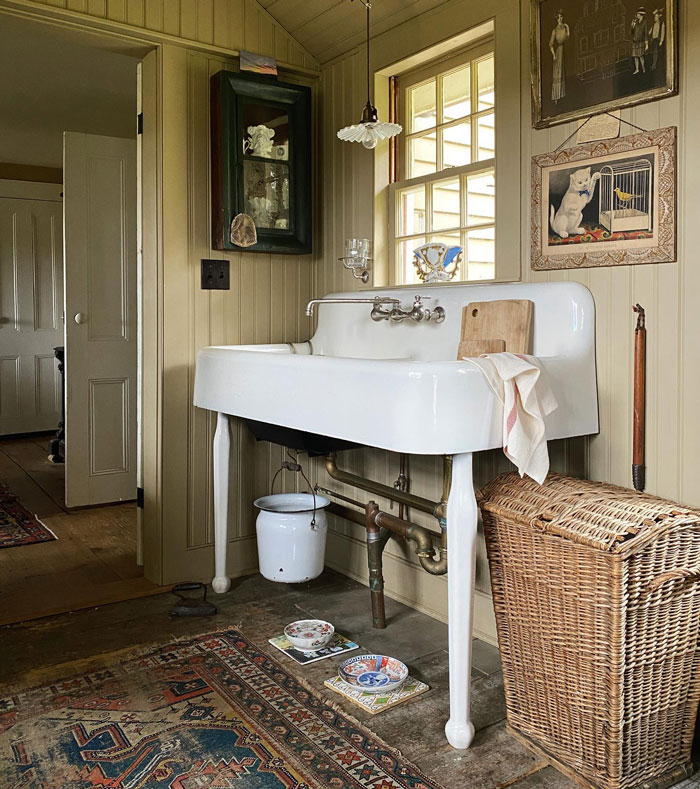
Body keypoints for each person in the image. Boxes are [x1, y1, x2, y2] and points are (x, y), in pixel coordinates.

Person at [549, 10, 570, 102]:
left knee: (563, 71)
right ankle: (557, 96)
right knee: (558, 72)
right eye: (559, 17)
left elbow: (568, 37)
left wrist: (567, 28)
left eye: (561, 17)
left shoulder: (565, 27)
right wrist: (554, 55)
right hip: (558, 52)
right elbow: (550, 44)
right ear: (557, 19)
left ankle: (563, 94)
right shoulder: (555, 30)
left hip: (564, 50)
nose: (561, 19)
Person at [631, 8, 648, 75]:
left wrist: (647, 44)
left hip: (641, 41)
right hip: (635, 41)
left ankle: (643, 69)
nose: (637, 15)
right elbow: (632, 32)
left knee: (640, 56)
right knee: (635, 56)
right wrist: (632, 25)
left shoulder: (644, 22)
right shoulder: (636, 22)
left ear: (641, 15)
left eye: (638, 14)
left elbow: (646, 33)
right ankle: (637, 69)